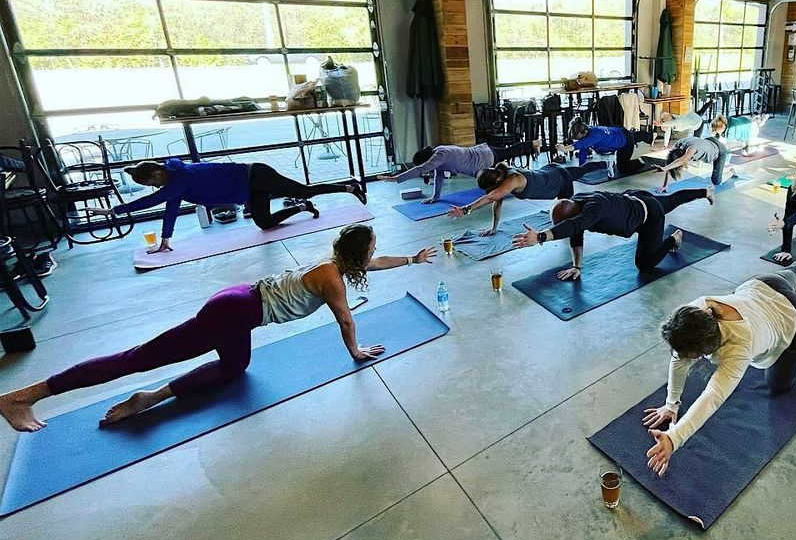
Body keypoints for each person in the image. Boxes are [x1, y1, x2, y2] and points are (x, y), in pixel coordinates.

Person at [0, 225, 436, 432]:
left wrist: (412, 261)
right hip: (233, 313)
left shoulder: (336, 263)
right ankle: (21, 396)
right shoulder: (333, 280)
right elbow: (344, 317)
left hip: (240, 307)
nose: (376, 254)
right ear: (356, 251)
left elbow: (375, 264)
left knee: (233, 369)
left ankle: (150, 397)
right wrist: (355, 351)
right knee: (137, 358)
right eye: (374, 248)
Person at [641, 250, 796, 476]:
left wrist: (675, 438)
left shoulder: (738, 348)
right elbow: (679, 356)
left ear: (707, 349)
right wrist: (671, 404)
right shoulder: (696, 312)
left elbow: (712, 396)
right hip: (763, 286)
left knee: (780, 385)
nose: (680, 356)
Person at [115, 159, 366, 255]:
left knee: (304, 189)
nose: (155, 186)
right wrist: (165, 239)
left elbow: (153, 202)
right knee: (264, 224)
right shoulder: (174, 183)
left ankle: (350, 187)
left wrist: (114, 211)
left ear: (158, 172)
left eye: (152, 181)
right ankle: (302, 208)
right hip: (250, 188)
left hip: (256, 175)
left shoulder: (180, 177)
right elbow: (169, 208)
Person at [511, 186, 714, 280]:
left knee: (644, 265)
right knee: (670, 201)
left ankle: (673, 238)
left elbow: (574, 226)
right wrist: (576, 266)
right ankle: (705, 192)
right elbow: (576, 231)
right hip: (634, 197)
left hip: (648, 216)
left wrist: (540, 237)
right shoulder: (578, 201)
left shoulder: (593, 209)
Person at [446, 160, 608, 236]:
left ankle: (605, 164)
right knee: (579, 171)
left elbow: (490, 198)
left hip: (559, 180)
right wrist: (494, 227)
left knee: (570, 218)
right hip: (549, 172)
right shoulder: (501, 178)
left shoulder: (513, 179)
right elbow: (496, 201)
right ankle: (603, 164)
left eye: (489, 189)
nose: (488, 192)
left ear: (495, 182)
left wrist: (465, 210)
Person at [382, 140, 538, 203]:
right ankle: (533, 144)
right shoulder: (439, 153)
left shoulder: (440, 155)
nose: (426, 171)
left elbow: (422, 169)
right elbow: (439, 176)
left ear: (427, 160)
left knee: (488, 183)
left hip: (483, 160)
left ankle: (511, 186)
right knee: (509, 151)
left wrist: (397, 178)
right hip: (482, 150)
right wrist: (435, 197)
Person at [558, 117, 654, 175]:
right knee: (636, 136)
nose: (579, 140)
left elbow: (581, 144)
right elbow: (583, 148)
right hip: (619, 133)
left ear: (585, 132)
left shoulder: (595, 134)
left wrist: (564, 149)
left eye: (579, 138)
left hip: (625, 142)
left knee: (623, 168)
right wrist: (581, 169)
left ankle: (642, 162)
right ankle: (650, 136)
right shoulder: (586, 133)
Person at [653, 127, 731, 191]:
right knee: (699, 154)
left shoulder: (691, 150)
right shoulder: (678, 144)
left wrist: (666, 168)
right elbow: (671, 163)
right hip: (708, 140)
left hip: (720, 150)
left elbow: (682, 160)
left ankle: (731, 172)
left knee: (716, 181)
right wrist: (665, 185)